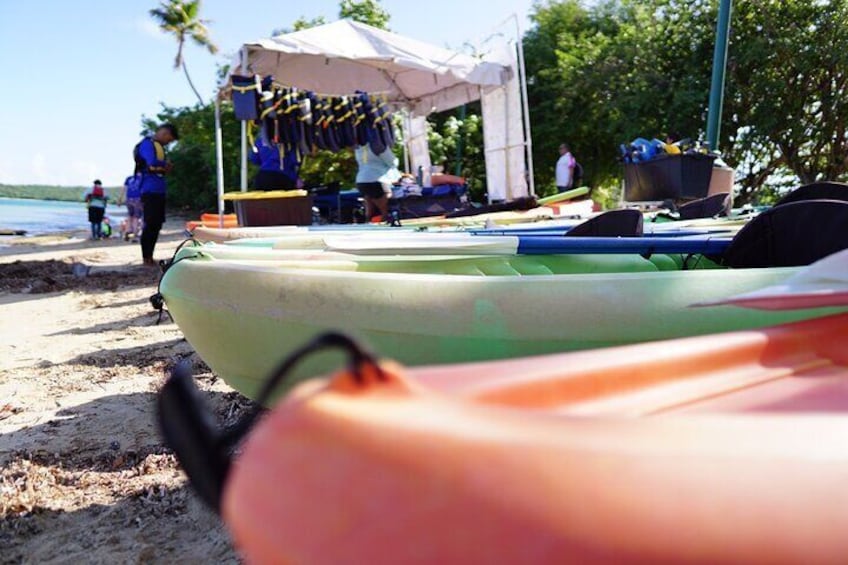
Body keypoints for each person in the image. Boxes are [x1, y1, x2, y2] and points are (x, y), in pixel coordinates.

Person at [134, 123, 178, 266]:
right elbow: (151, 161)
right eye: (169, 139)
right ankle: (146, 256)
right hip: (149, 189)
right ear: (164, 133)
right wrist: (166, 164)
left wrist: (165, 167)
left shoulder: (157, 146)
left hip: (158, 189)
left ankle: (150, 255)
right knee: (151, 223)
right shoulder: (147, 144)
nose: (167, 142)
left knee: (157, 224)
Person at [354, 144, 400, 221]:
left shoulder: (358, 148)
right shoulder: (379, 145)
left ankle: (367, 223)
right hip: (378, 178)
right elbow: (393, 162)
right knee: (385, 209)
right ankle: (387, 221)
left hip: (361, 180)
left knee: (369, 207)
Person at [119, 173, 143, 241]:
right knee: (136, 218)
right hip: (138, 199)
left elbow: (124, 189)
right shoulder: (143, 178)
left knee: (129, 217)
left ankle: (127, 232)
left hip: (129, 199)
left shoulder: (129, 178)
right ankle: (135, 235)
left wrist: (120, 199)